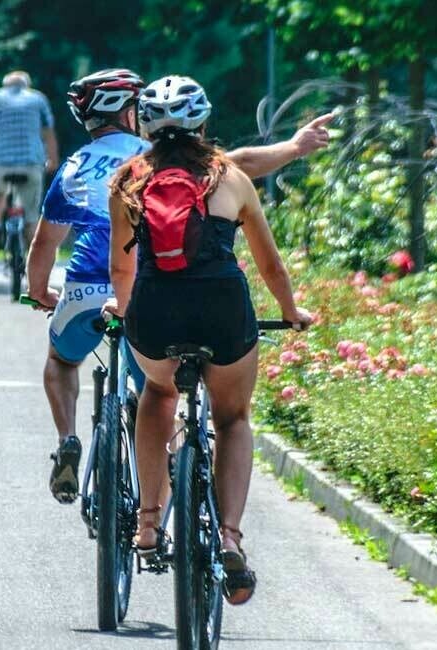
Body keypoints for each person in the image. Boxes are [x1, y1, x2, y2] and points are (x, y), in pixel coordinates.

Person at [29, 69, 333, 507]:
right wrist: (294, 147)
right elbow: (239, 164)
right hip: (156, 292)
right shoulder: (157, 158)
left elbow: (45, 243)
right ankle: (174, 486)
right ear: (130, 115)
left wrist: (40, 291)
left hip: (89, 292)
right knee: (160, 397)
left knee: (62, 359)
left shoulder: (80, 167)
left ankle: (68, 439)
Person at [104, 75, 315, 606]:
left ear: (144, 128)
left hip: (156, 312)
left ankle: (147, 523)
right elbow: (270, 265)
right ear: (202, 123)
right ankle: (229, 537)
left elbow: (121, 269)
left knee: (157, 394)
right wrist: (291, 312)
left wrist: (125, 312)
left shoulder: (127, 181)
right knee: (233, 418)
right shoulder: (230, 177)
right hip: (222, 311)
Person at [0, 71, 58, 252]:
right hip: (32, 162)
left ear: (6, 85)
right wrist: (52, 160)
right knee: (31, 214)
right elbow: (48, 132)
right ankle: (30, 253)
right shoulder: (38, 99)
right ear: (27, 84)